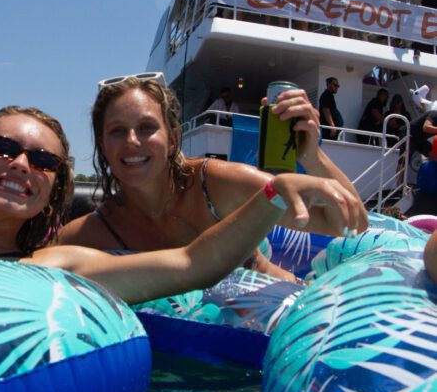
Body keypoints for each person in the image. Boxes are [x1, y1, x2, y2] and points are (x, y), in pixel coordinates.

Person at [0, 105, 362, 306]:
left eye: (42, 163)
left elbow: (191, 264)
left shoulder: (51, 267)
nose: (20, 165)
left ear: (54, 188)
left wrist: (271, 191)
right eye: (6, 147)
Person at [58, 76, 367, 280]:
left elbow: (352, 224)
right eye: (117, 131)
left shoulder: (215, 185)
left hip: (277, 316)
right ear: (102, 145)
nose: (132, 141)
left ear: (173, 139)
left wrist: (312, 157)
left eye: (147, 128)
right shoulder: (94, 232)